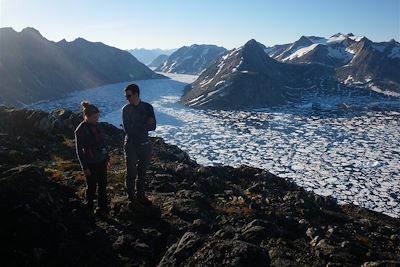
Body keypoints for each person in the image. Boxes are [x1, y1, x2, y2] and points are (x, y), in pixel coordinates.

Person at [122, 83, 156, 206]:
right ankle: (131, 197)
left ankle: (140, 195)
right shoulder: (126, 109)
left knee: (142, 172)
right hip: (131, 145)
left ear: (136, 94)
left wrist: (135, 125)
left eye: (129, 96)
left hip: (145, 145)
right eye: (126, 96)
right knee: (131, 172)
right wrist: (144, 125)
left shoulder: (147, 107)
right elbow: (127, 130)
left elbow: (153, 126)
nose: (127, 98)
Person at [75, 101, 110, 215]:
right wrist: (84, 167)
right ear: (87, 117)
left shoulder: (98, 125)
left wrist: (107, 156)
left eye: (98, 116)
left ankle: (102, 207)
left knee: (103, 184)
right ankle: (89, 206)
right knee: (92, 185)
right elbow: (79, 150)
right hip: (90, 163)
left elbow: (103, 142)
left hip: (102, 160)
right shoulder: (80, 130)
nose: (97, 119)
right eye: (95, 117)